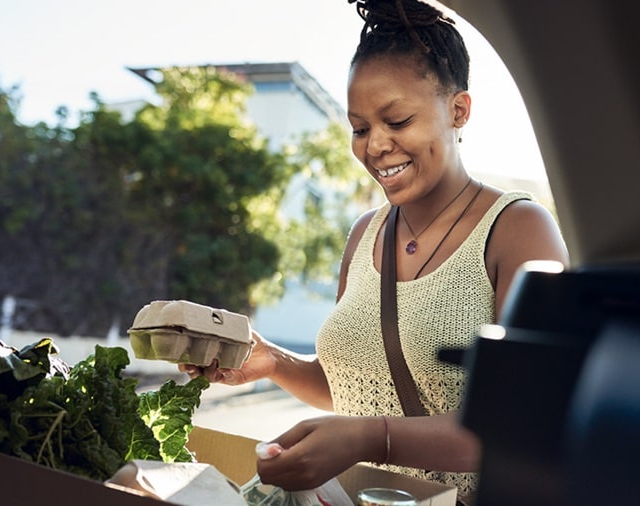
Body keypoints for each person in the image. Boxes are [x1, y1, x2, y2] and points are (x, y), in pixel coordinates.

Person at [181, 0, 569, 502]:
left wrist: (375, 438)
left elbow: (530, 420)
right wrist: (272, 361)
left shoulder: (519, 229)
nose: (375, 146)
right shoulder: (366, 234)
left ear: (458, 110)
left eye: (398, 120)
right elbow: (355, 381)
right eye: (360, 128)